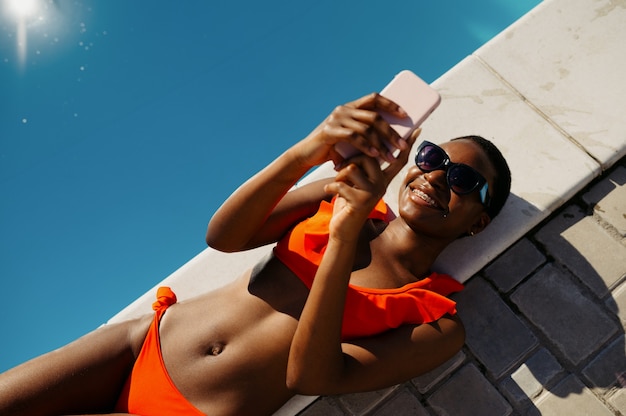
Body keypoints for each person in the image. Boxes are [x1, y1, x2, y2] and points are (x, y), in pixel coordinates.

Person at [0, 93, 511, 416]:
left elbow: (313, 377)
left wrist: (342, 235)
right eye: (433, 158)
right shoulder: (340, 194)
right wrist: (309, 149)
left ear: (479, 222)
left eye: (464, 180)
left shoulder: (437, 321)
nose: (438, 176)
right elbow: (224, 236)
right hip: (140, 344)